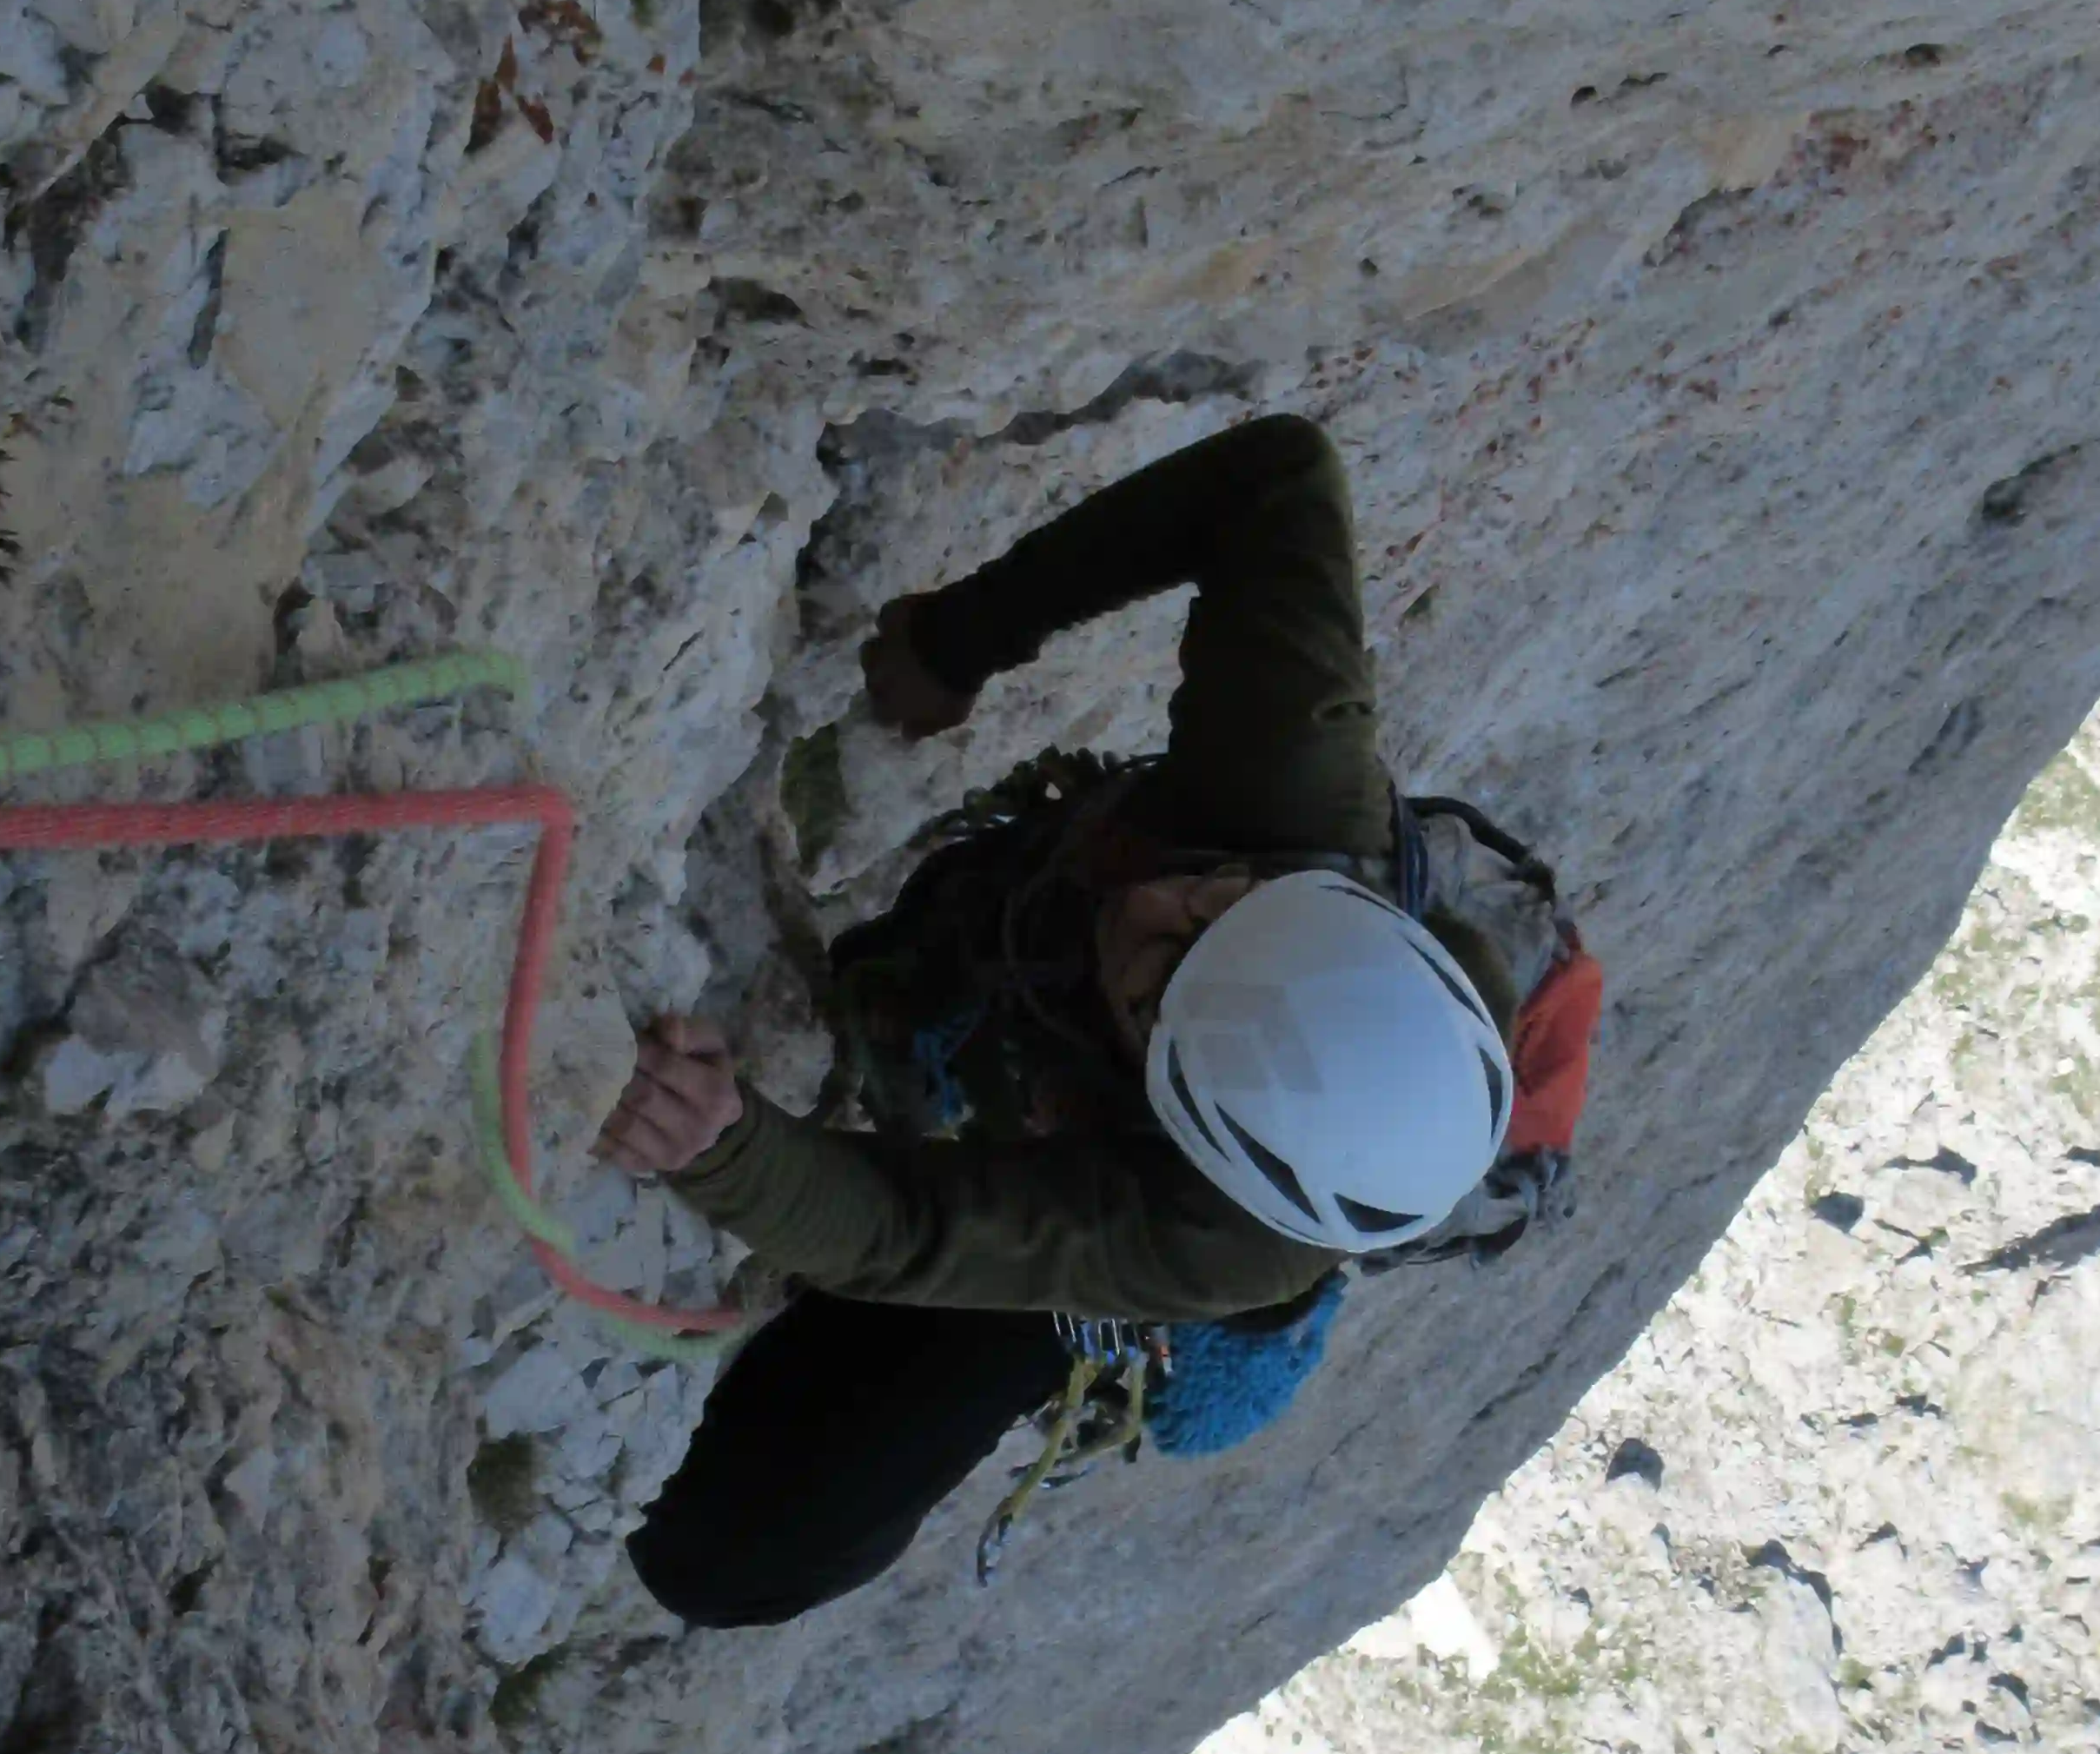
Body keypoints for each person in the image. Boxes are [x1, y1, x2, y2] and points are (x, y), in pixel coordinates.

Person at [600, 414, 1514, 1626]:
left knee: (742, 1557)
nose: (1158, 903)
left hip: (1088, 1187)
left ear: (1172, 1100)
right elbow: (1280, 476)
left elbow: (915, 1228)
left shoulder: (1204, 1226)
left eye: (1159, 979)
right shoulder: (1291, 808)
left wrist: (724, 1145)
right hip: (1011, 956)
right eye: (1218, 900)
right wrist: (968, 632)